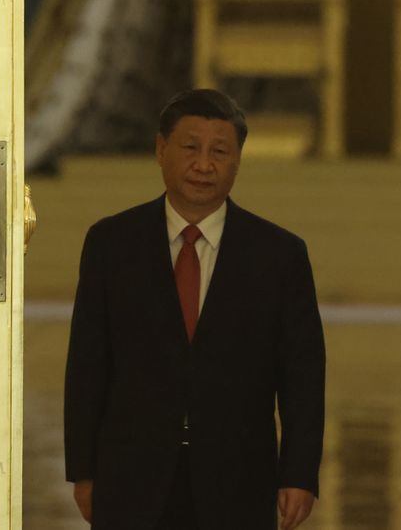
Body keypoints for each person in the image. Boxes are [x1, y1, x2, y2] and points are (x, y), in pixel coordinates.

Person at [64, 89, 325, 530]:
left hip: (238, 480)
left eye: (219, 152)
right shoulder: (112, 244)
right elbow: (88, 365)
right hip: (130, 478)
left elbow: (302, 375)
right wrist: (83, 471)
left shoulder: (279, 255)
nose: (204, 165)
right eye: (190, 148)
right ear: (161, 149)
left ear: (238, 160)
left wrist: (299, 473)